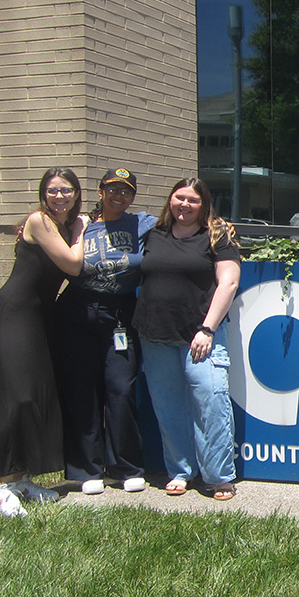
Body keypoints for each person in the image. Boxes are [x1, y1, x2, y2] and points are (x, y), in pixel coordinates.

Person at [0, 167, 87, 517]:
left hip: (39, 318)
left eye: (67, 190)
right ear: (43, 194)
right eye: (53, 190)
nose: (60, 196)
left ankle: (22, 478)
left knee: (41, 393)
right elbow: (73, 265)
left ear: (76, 193)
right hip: (13, 316)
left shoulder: (58, 227)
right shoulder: (40, 221)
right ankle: (1, 485)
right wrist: (81, 230)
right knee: (19, 395)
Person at [133, 177, 241, 500]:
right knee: (168, 407)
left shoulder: (216, 237)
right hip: (155, 333)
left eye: (192, 200)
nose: (184, 204)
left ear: (203, 204)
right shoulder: (152, 234)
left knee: (211, 399)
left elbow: (229, 283)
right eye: (179, 198)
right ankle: (180, 471)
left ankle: (219, 476)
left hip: (201, 334)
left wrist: (207, 329)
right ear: (170, 201)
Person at [56, 168, 157, 495]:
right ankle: (88, 470)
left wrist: (219, 225)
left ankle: (126, 467)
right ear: (100, 192)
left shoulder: (141, 223)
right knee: (83, 391)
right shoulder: (81, 223)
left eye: (125, 191)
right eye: (112, 189)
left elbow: (183, 220)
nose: (119, 196)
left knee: (120, 387)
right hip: (78, 313)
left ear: (133, 197)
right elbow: (45, 228)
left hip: (120, 314)